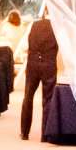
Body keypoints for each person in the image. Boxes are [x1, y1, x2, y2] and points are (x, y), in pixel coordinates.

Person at [20, 7, 59, 140]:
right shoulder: (57, 27)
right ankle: (45, 134)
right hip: (49, 65)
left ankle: (24, 132)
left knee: (28, 97)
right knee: (47, 99)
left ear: (45, 12)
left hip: (33, 63)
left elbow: (27, 44)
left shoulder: (34, 24)